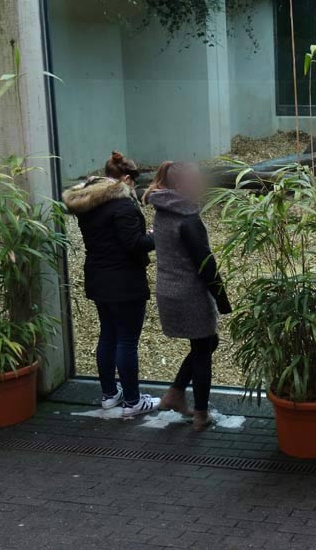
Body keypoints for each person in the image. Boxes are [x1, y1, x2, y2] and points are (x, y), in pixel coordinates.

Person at [63, 151, 160, 416]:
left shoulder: (89, 203)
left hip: (98, 277)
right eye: (133, 183)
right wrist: (155, 237)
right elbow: (133, 244)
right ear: (126, 179)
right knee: (127, 341)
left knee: (107, 335)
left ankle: (109, 395)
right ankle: (132, 401)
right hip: (124, 281)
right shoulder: (123, 206)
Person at [144, 161, 231, 431]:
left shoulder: (163, 209)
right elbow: (205, 263)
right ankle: (201, 414)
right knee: (204, 348)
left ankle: (175, 394)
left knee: (205, 343)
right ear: (181, 185)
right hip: (189, 293)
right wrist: (222, 299)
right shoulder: (188, 218)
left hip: (169, 289)